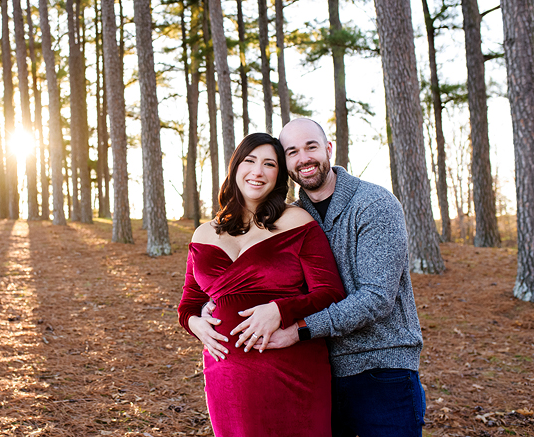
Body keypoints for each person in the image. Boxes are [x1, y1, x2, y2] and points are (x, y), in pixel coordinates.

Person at [204, 118, 426, 437]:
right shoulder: (290, 220)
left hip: (379, 369)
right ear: (285, 164)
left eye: (311, 147)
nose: (303, 158)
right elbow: (262, 280)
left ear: (328, 149)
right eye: (292, 152)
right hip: (318, 374)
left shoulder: (373, 204)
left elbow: (377, 299)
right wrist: (208, 309)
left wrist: (300, 330)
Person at [178, 132, 346, 437]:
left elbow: (330, 291)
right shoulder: (203, 233)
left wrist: (280, 310)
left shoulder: (297, 221)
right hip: (225, 376)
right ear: (235, 167)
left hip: (290, 369)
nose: (257, 171)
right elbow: (188, 303)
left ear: (279, 175)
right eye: (250, 161)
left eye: (269, 164)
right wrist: (195, 324)